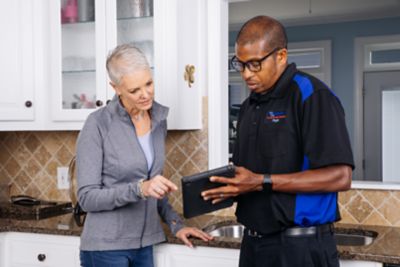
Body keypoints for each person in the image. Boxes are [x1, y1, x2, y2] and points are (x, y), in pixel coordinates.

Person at [202, 16, 354, 267]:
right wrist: (229, 187)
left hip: (300, 249)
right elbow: (251, 176)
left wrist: (261, 182)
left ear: (281, 56)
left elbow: (340, 177)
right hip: (253, 246)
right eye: (240, 65)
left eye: (254, 64)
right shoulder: (250, 105)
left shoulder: (313, 95)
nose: (246, 74)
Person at [76, 44, 212, 267]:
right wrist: (140, 188)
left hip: (144, 246)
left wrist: (176, 224)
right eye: (134, 90)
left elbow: (155, 188)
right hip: (105, 249)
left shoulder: (158, 120)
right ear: (116, 88)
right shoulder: (97, 124)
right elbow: (87, 198)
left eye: (148, 83)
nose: (145, 94)